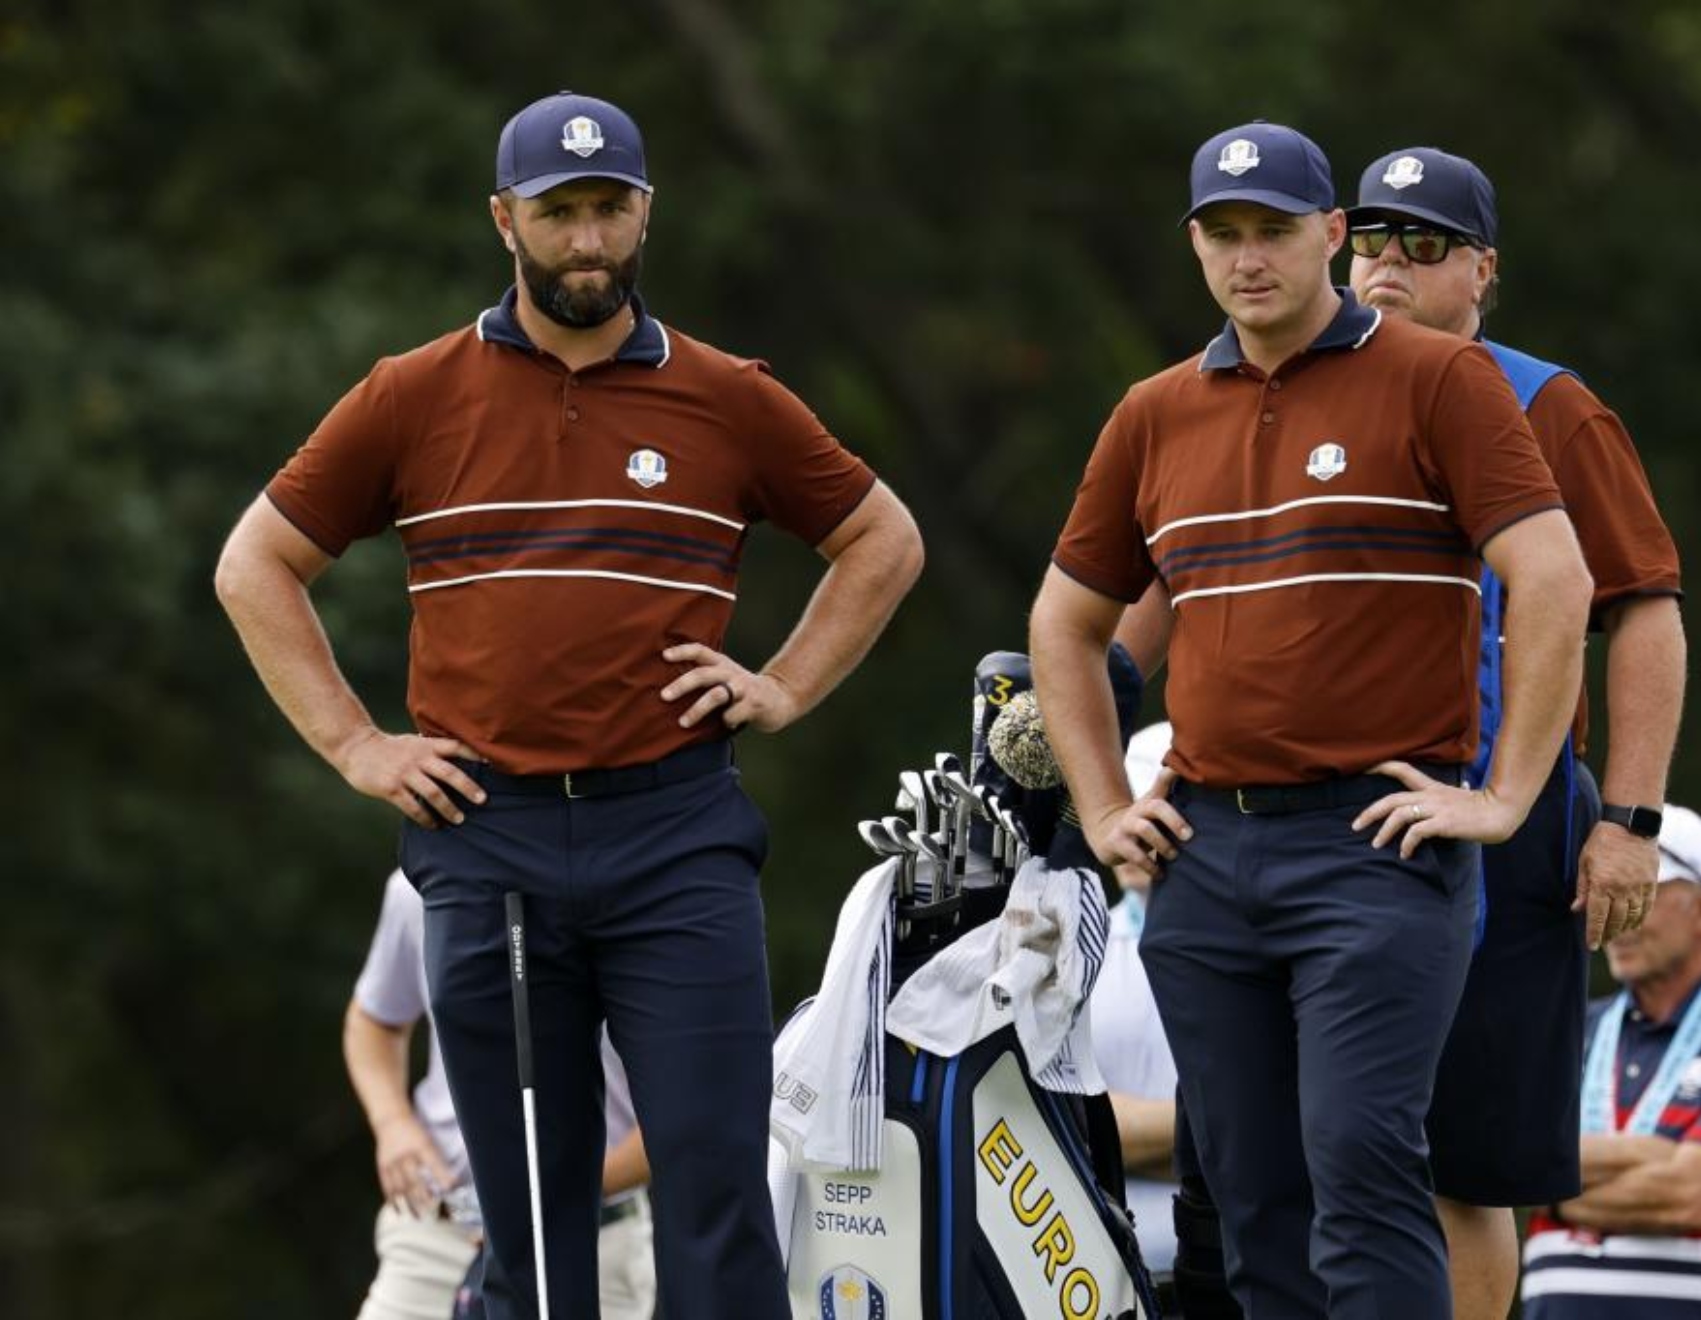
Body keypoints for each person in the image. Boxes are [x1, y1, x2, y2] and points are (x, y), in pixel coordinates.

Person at [214, 90, 922, 1320]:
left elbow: (880, 536)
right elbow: (254, 564)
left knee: (717, 1198)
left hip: (678, 837)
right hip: (489, 842)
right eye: (559, 214)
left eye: (609, 211)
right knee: (531, 1230)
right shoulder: (414, 394)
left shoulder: (728, 397)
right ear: (506, 220)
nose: (587, 240)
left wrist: (787, 682)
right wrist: (353, 744)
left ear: (644, 212)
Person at [1030, 120, 1593, 1318]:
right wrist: (1100, 806)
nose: (1250, 259)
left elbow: (1557, 578)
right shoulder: (1153, 413)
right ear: (1194, 246)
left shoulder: (1439, 379)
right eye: (1224, 236)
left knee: (1363, 1159)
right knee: (1244, 1188)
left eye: (1275, 231)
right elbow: (1065, 626)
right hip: (1205, 856)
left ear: (1331, 236)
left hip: (1374, 845)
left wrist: (1505, 797)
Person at [1344, 145, 1688, 1319]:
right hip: (1324, 802)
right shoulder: (1300, 389)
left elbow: (1644, 611)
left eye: (1424, 244)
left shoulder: (1551, 404)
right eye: (1370, 240)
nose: (1388, 266)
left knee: (1464, 1166)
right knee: (1321, 1148)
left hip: (1510, 806)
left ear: (1482, 268)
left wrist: (1632, 824)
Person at [1521, 805, 1701, 1317]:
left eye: (1643, 892)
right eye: (1606, 888)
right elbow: (1510, 1160)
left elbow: (1689, 1197)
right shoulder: (1563, 1029)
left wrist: (1555, 1190)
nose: (1617, 912)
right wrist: (1657, 1151)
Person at [344, 870, 655, 1320]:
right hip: (435, 1235)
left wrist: (554, 1196)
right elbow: (375, 1020)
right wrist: (392, 1123)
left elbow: (692, 1110)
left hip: (591, 1243)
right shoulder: (421, 884)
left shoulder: (643, 889)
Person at [1085, 721, 1181, 1276]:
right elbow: (1066, 1127)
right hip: (1097, 1278)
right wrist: (1213, 1135)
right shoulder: (1079, 951)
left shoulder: (1282, 954)